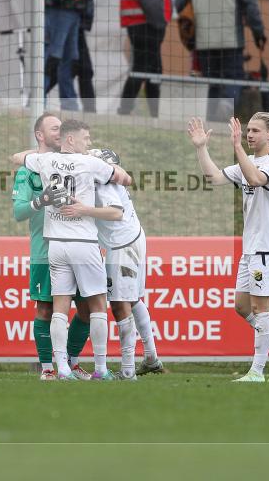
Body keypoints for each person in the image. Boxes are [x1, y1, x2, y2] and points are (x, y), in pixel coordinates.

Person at [11, 120, 133, 381]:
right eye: (85, 139)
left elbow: (17, 157)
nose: (89, 143)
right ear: (71, 140)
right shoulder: (90, 163)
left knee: (60, 307)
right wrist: (106, 165)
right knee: (98, 305)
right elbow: (126, 179)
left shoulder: (45, 161)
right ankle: (100, 368)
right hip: (83, 242)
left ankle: (63, 369)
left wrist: (36, 155)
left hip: (56, 243)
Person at [187, 113, 269, 383]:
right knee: (241, 305)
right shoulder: (248, 162)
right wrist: (201, 148)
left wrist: (237, 147)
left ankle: (256, 372)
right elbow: (214, 177)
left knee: (263, 309)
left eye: (256, 131)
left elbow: (256, 179)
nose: (249, 135)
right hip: (252, 247)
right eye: (247, 130)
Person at [12, 112, 94, 381]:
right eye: (54, 128)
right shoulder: (28, 171)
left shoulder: (74, 163)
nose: (60, 132)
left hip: (79, 246)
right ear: (40, 135)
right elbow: (19, 212)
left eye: (62, 128)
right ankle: (48, 368)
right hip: (45, 252)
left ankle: (69, 363)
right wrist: (42, 201)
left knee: (86, 310)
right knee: (46, 309)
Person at [89, 148, 164, 380]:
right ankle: (151, 358)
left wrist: (83, 211)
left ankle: (128, 370)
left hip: (122, 245)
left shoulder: (105, 184)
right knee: (133, 300)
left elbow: (115, 212)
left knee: (120, 304)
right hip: (131, 238)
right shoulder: (107, 179)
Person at [175, 0, 265, 122]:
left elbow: (178, 4)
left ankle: (210, 120)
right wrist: (258, 33)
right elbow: (251, 5)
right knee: (233, 78)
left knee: (211, 81)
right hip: (231, 42)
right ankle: (226, 110)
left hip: (203, 43)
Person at [117, 0, 171, 117]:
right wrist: (159, 22)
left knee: (149, 69)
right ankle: (130, 111)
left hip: (139, 24)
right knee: (144, 69)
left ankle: (149, 113)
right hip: (145, 26)